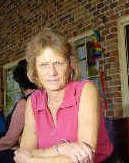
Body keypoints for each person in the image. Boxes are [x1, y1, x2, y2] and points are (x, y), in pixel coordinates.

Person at [14, 29, 113, 163]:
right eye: (44, 65)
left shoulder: (85, 90)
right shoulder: (33, 101)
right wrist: (61, 149)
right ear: (35, 70)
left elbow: (85, 158)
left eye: (59, 63)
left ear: (70, 66)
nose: (52, 72)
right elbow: (24, 153)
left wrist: (33, 160)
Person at [0, 59, 38, 163]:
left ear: (19, 82)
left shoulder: (24, 103)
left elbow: (9, 141)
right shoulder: (42, 97)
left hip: (25, 153)